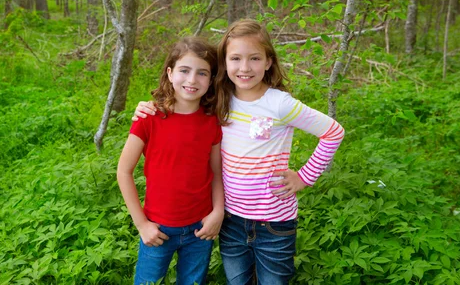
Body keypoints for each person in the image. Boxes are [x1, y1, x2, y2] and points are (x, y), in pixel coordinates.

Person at [133, 20, 345, 284]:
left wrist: (303, 177)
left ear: (268, 61)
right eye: (235, 58)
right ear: (224, 64)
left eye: (254, 58)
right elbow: (183, 101)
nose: (244, 68)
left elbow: (333, 132)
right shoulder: (220, 98)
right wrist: (149, 106)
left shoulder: (280, 104)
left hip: (274, 222)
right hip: (231, 220)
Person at [117, 37, 224, 285]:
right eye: (184, 70)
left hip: (200, 228)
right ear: (170, 72)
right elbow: (124, 171)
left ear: (211, 80)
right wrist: (142, 224)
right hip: (158, 228)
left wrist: (218, 211)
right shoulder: (149, 117)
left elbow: (216, 172)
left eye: (202, 73)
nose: (192, 80)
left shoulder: (212, 121)